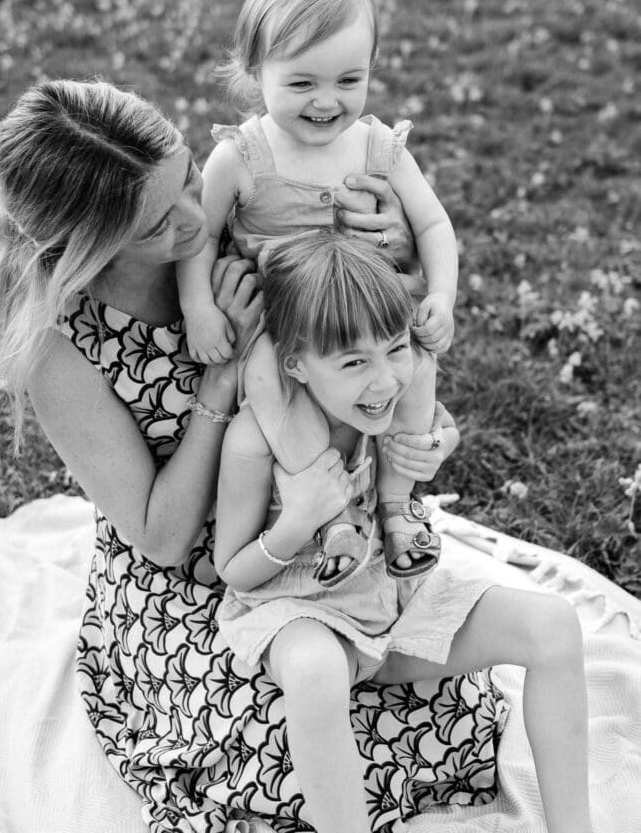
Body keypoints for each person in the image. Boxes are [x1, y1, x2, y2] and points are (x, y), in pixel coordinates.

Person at [0, 79, 506, 833]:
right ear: (85, 247)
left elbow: (355, 342)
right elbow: (158, 537)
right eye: (158, 223)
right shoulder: (58, 344)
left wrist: (390, 254)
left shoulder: (232, 227)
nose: (195, 220)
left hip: (315, 523)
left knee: (438, 695)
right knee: (290, 744)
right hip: (192, 574)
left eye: (188, 177)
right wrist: (219, 386)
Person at [215, 229, 593, 833]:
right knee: (314, 671)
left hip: (393, 603)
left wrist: (439, 447)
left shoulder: (384, 407)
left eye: (394, 349)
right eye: (353, 362)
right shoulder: (255, 441)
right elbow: (231, 569)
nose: (385, 380)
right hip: (301, 614)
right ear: (295, 364)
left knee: (554, 625)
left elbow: (438, 428)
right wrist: (297, 523)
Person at [177, 0, 458, 584]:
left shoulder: (377, 147)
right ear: (256, 72)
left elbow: (435, 223)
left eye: (348, 81)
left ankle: (398, 502)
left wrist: (439, 293)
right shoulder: (241, 157)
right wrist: (199, 305)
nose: (327, 102)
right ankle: (332, 515)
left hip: (370, 315)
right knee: (271, 395)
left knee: (416, 368)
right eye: (302, 84)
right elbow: (199, 236)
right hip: (280, 323)